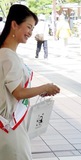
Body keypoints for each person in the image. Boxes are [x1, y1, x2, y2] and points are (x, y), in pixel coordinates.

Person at [0, 4, 60, 160]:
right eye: (28, 27)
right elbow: (18, 92)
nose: (31, 33)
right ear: (14, 25)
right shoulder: (8, 56)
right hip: (10, 127)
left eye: (32, 29)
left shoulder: (5, 53)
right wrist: (45, 87)